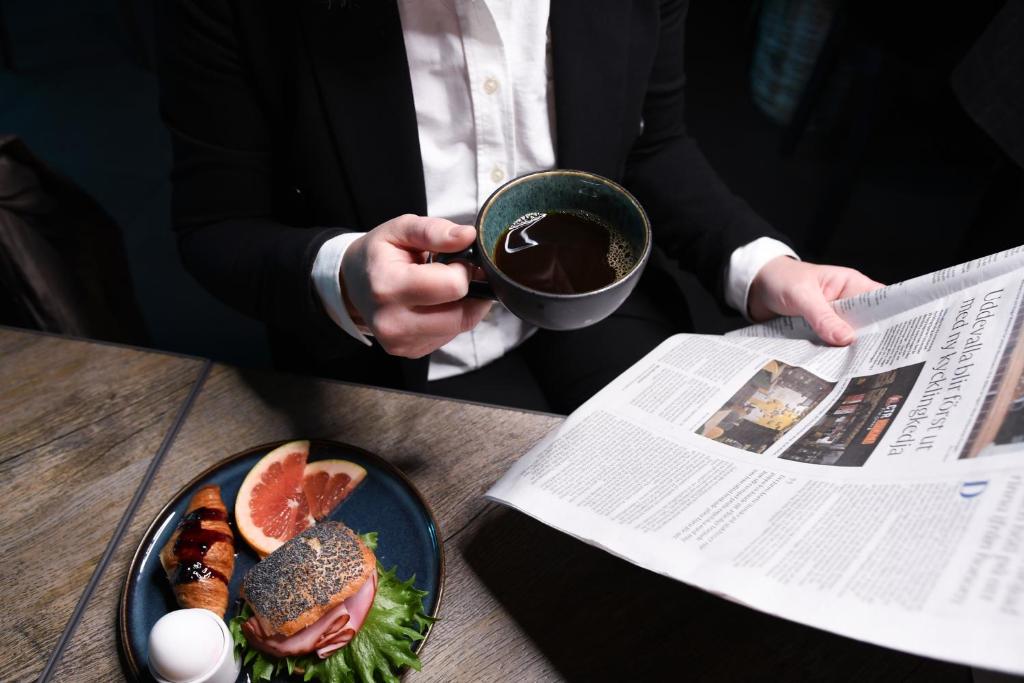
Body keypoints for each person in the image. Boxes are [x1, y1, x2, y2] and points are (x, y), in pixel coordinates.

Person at [156, 0, 881, 413]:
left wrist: (759, 266)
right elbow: (214, 226)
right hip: (370, 366)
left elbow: (653, 145)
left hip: (604, 312)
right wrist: (341, 277)